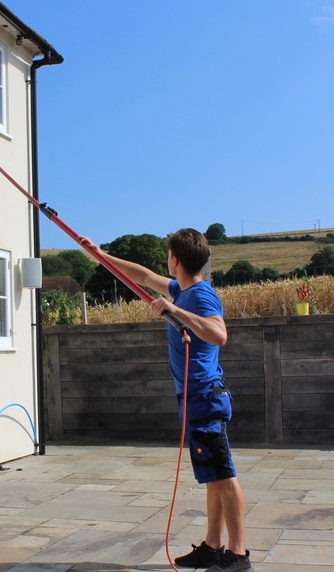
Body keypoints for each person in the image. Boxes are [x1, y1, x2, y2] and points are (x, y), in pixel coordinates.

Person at [79, 229, 249, 572]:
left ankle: (239, 556)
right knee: (213, 477)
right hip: (195, 397)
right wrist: (100, 255)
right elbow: (142, 276)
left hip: (204, 397)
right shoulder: (180, 289)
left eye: (168, 255)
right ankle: (213, 547)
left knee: (224, 476)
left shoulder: (199, 296)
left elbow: (219, 334)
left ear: (175, 259)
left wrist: (176, 312)